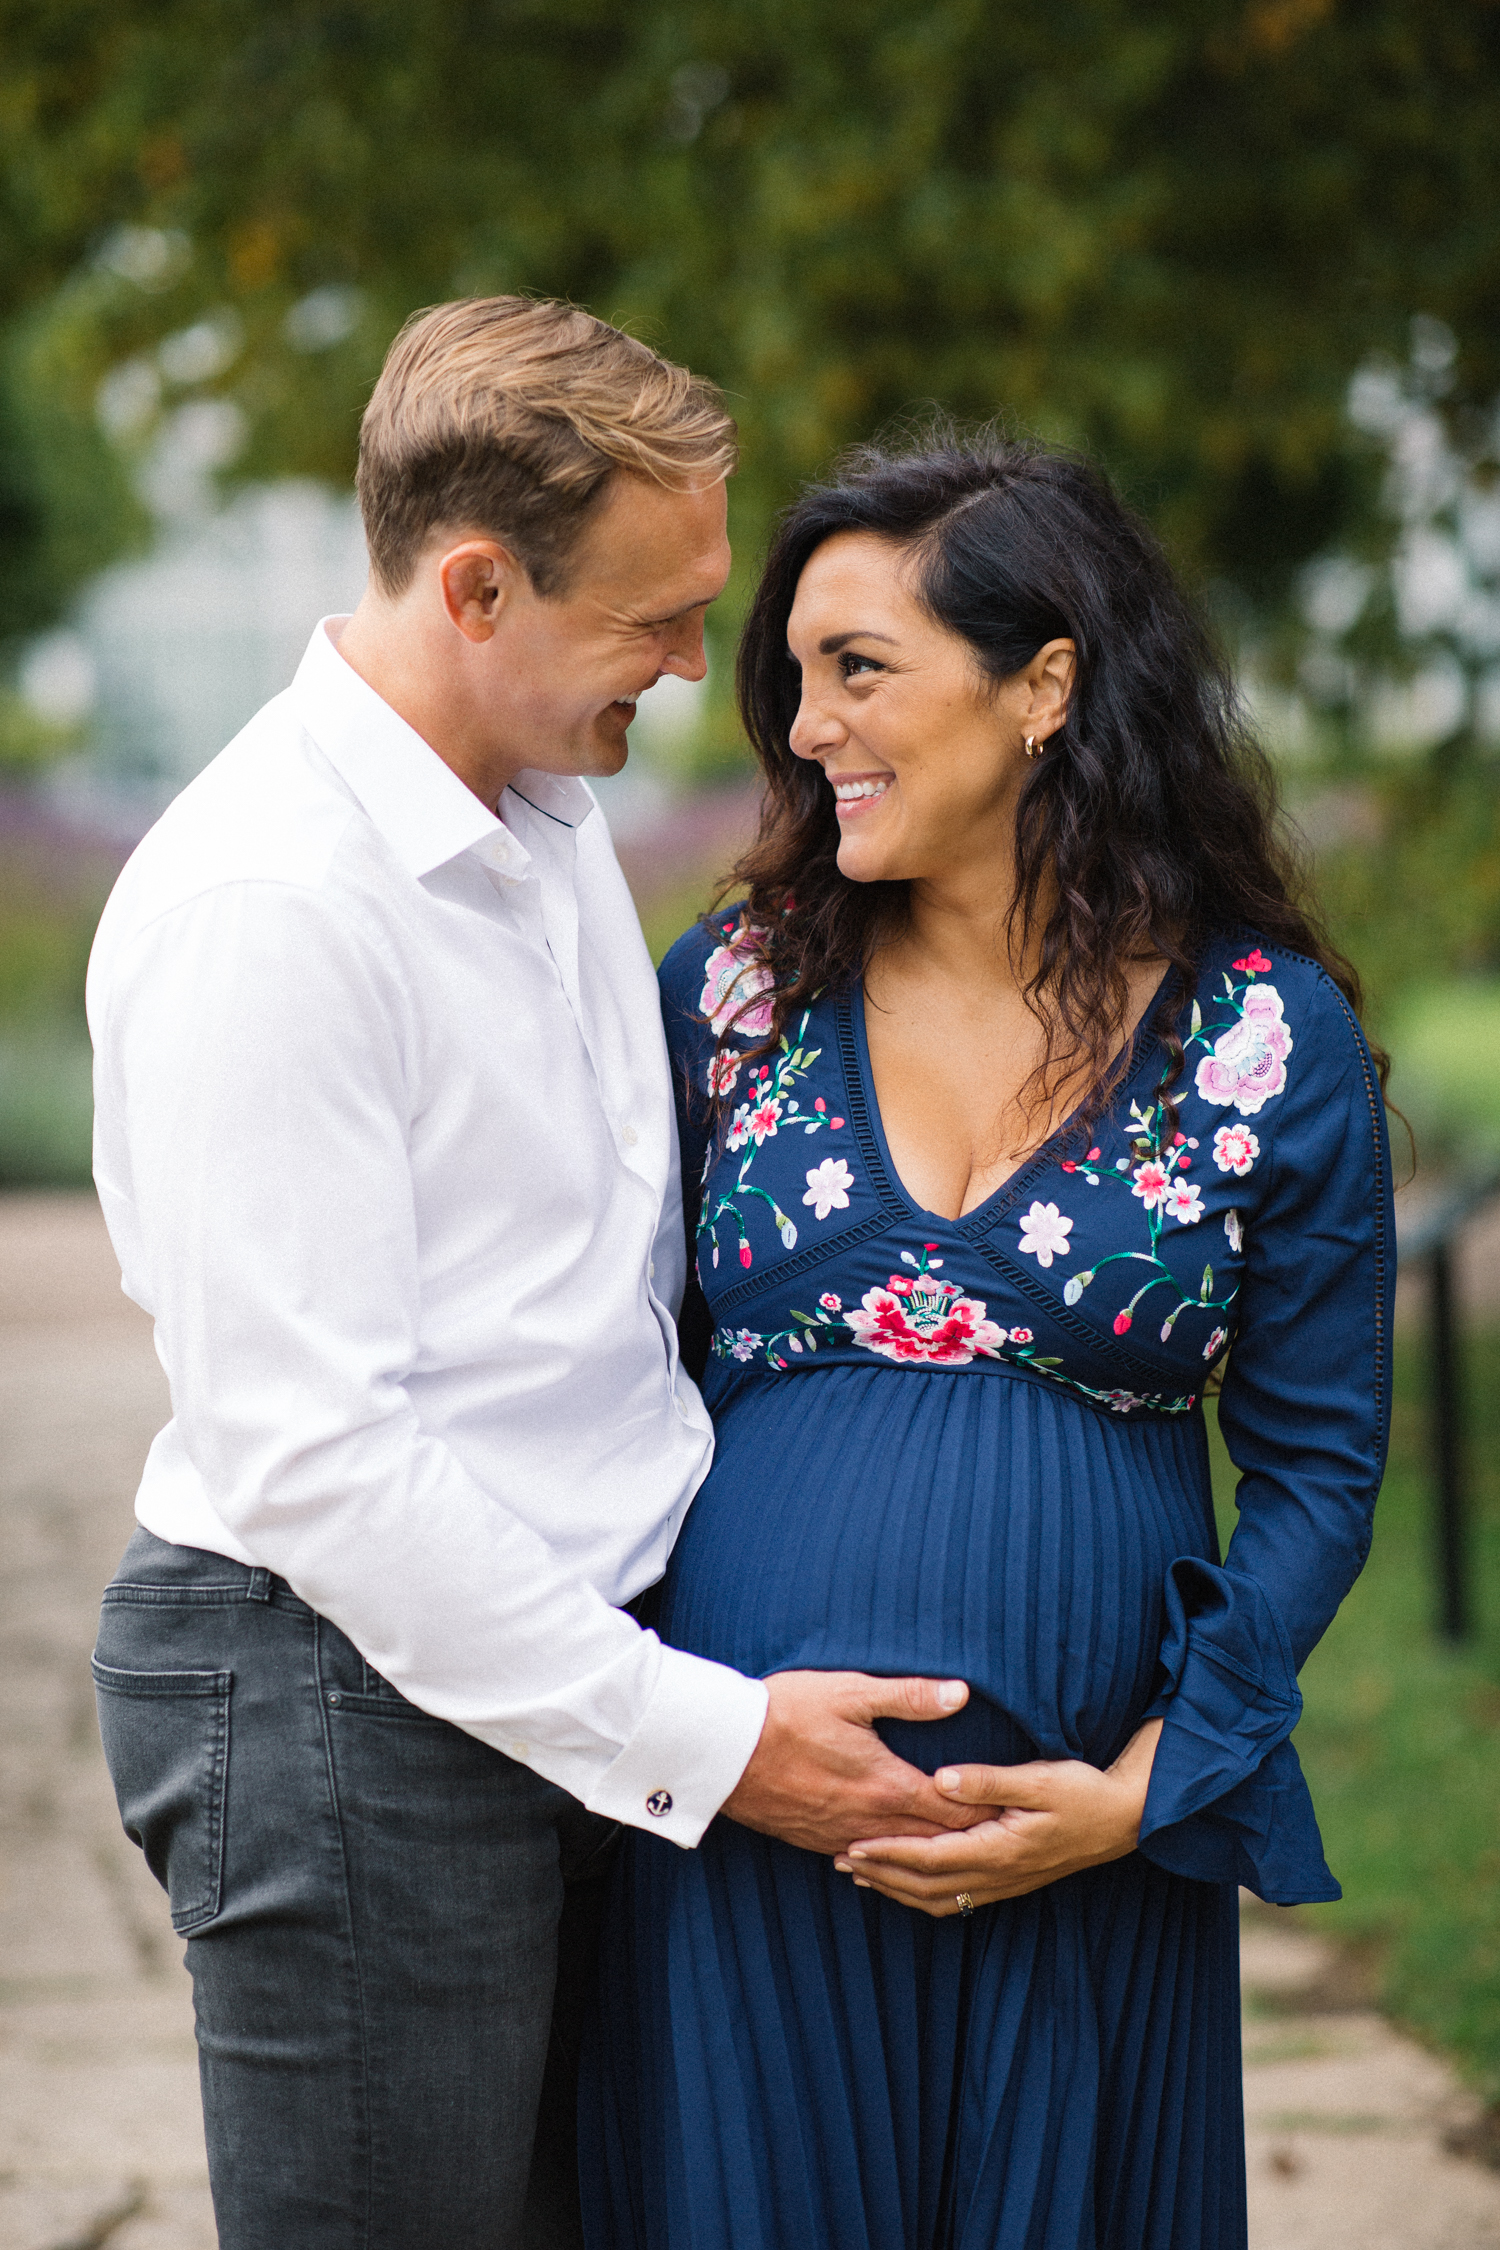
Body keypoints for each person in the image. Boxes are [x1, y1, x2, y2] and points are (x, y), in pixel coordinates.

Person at [85, 301, 977, 2250]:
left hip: (547, 1676)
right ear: (476, 585)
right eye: (655, 620)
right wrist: (713, 1743)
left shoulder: (541, 801)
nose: (691, 667)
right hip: (344, 1696)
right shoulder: (273, 908)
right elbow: (315, 1452)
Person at [581, 432, 1395, 2250]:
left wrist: (1150, 1785)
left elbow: (1323, 1465)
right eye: (794, 676)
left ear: (1045, 686)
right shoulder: (729, 997)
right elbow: (594, 1374)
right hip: (746, 1839)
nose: (803, 727)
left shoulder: (1258, 1038)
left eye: (856, 668)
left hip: (1084, 1874)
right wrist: (675, 1729)